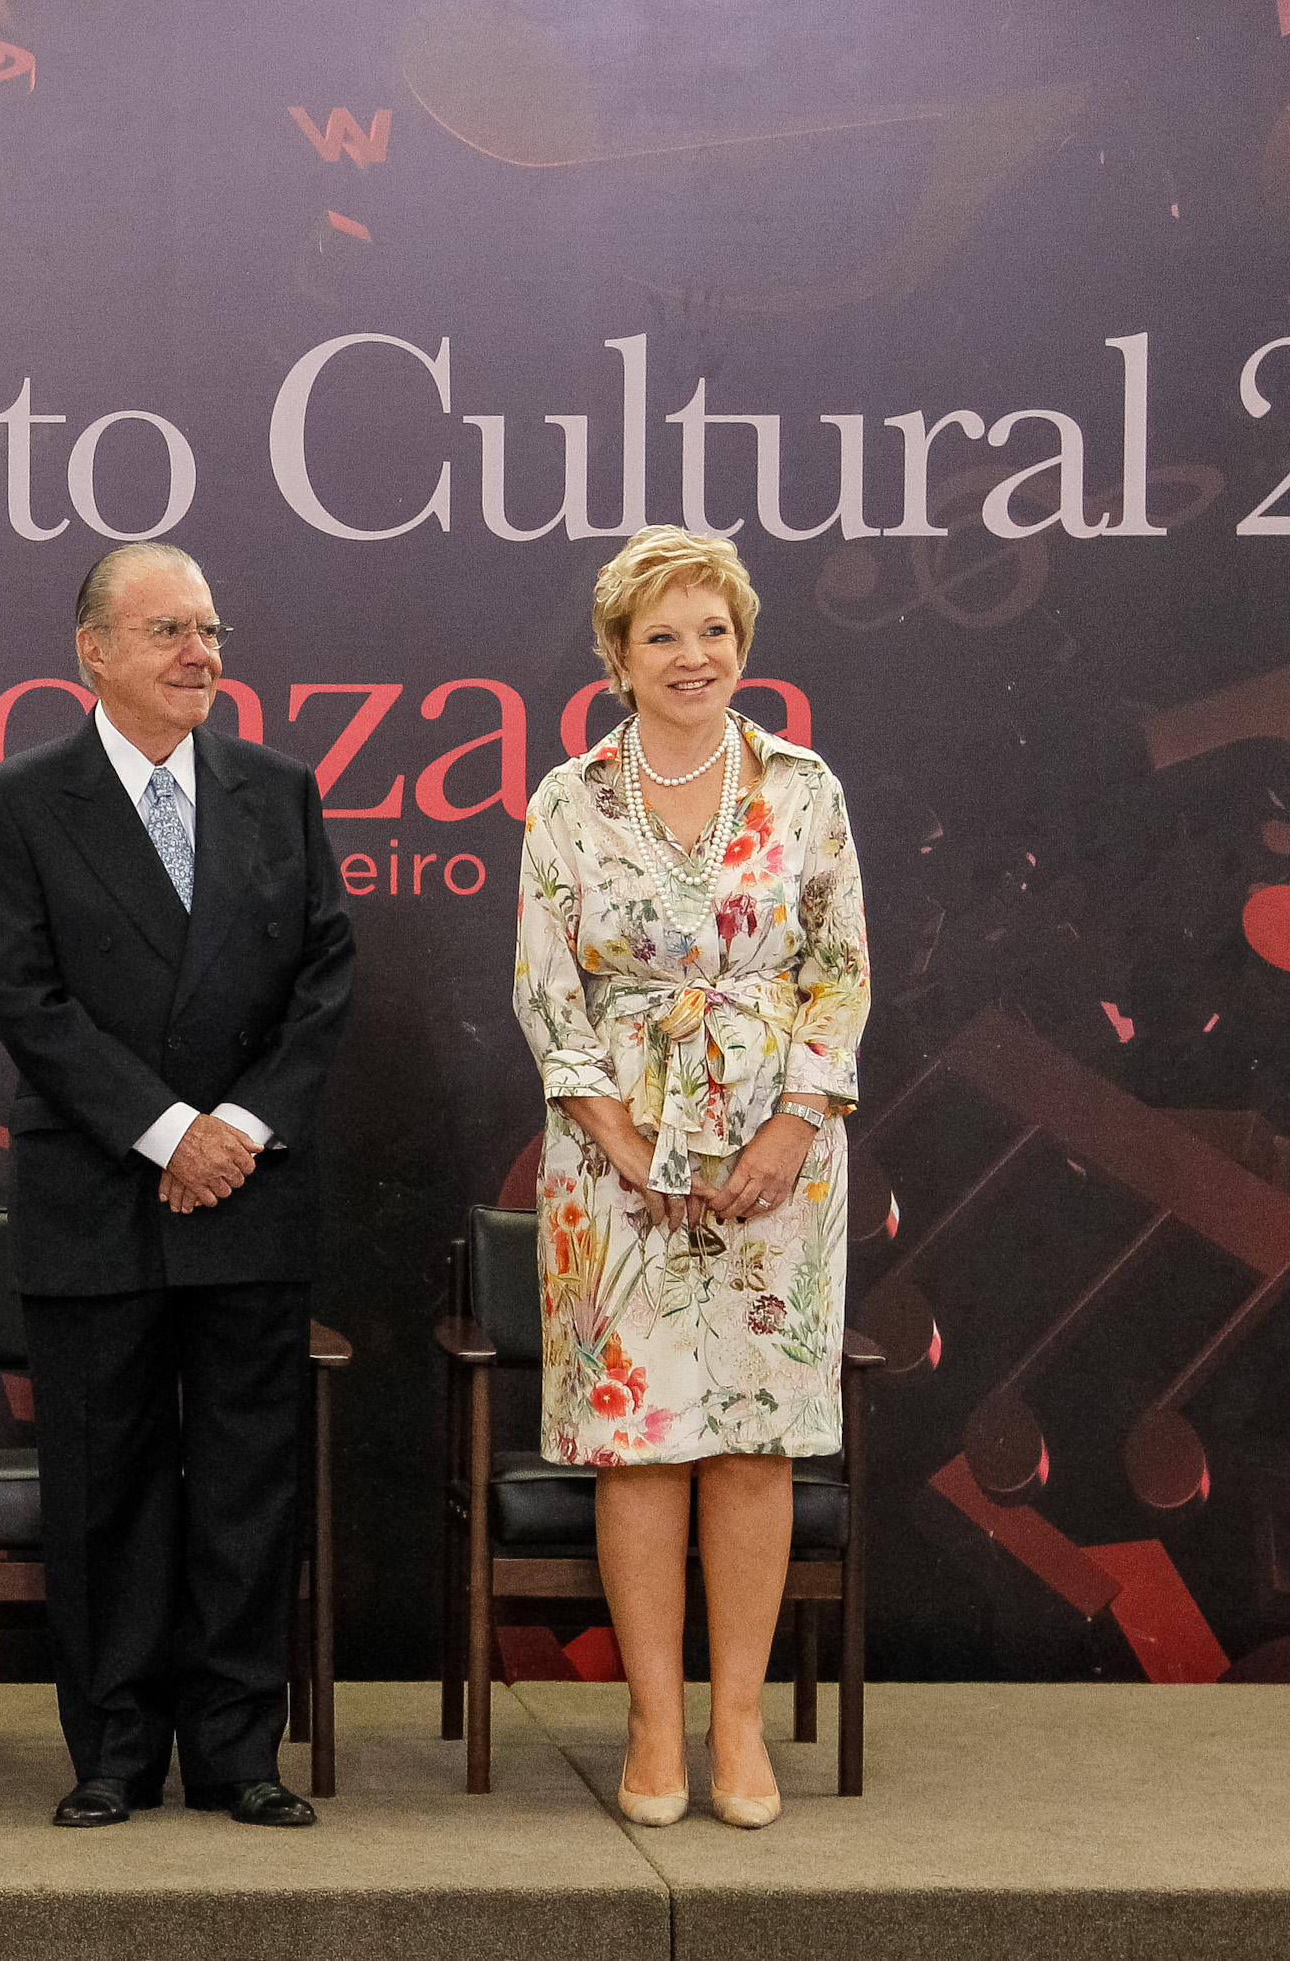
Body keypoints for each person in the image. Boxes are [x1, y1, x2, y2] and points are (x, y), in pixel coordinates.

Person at [0, 541, 357, 1829]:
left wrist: (233, 1125)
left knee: (248, 1484)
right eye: (170, 632)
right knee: (103, 1483)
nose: (202, 655)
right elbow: (30, 1000)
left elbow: (323, 979)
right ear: (93, 651)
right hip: (98, 1193)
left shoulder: (278, 792)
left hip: (251, 1185)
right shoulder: (19, 801)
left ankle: (240, 1749)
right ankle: (116, 1748)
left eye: (211, 630)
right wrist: (165, 1130)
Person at [512, 524, 871, 1830]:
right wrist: (619, 1145)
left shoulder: (803, 786)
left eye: (712, 629)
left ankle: (737, 1722)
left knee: (753, 1448)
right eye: (662, 632)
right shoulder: (565, 801)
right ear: (616, 655)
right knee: (640, 1450)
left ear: (743, 645)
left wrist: (792, 1123)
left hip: (782, 1161)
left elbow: (839, 970)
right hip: (611, 1169)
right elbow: (546, 997)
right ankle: (652, 1723)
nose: (691, 654)